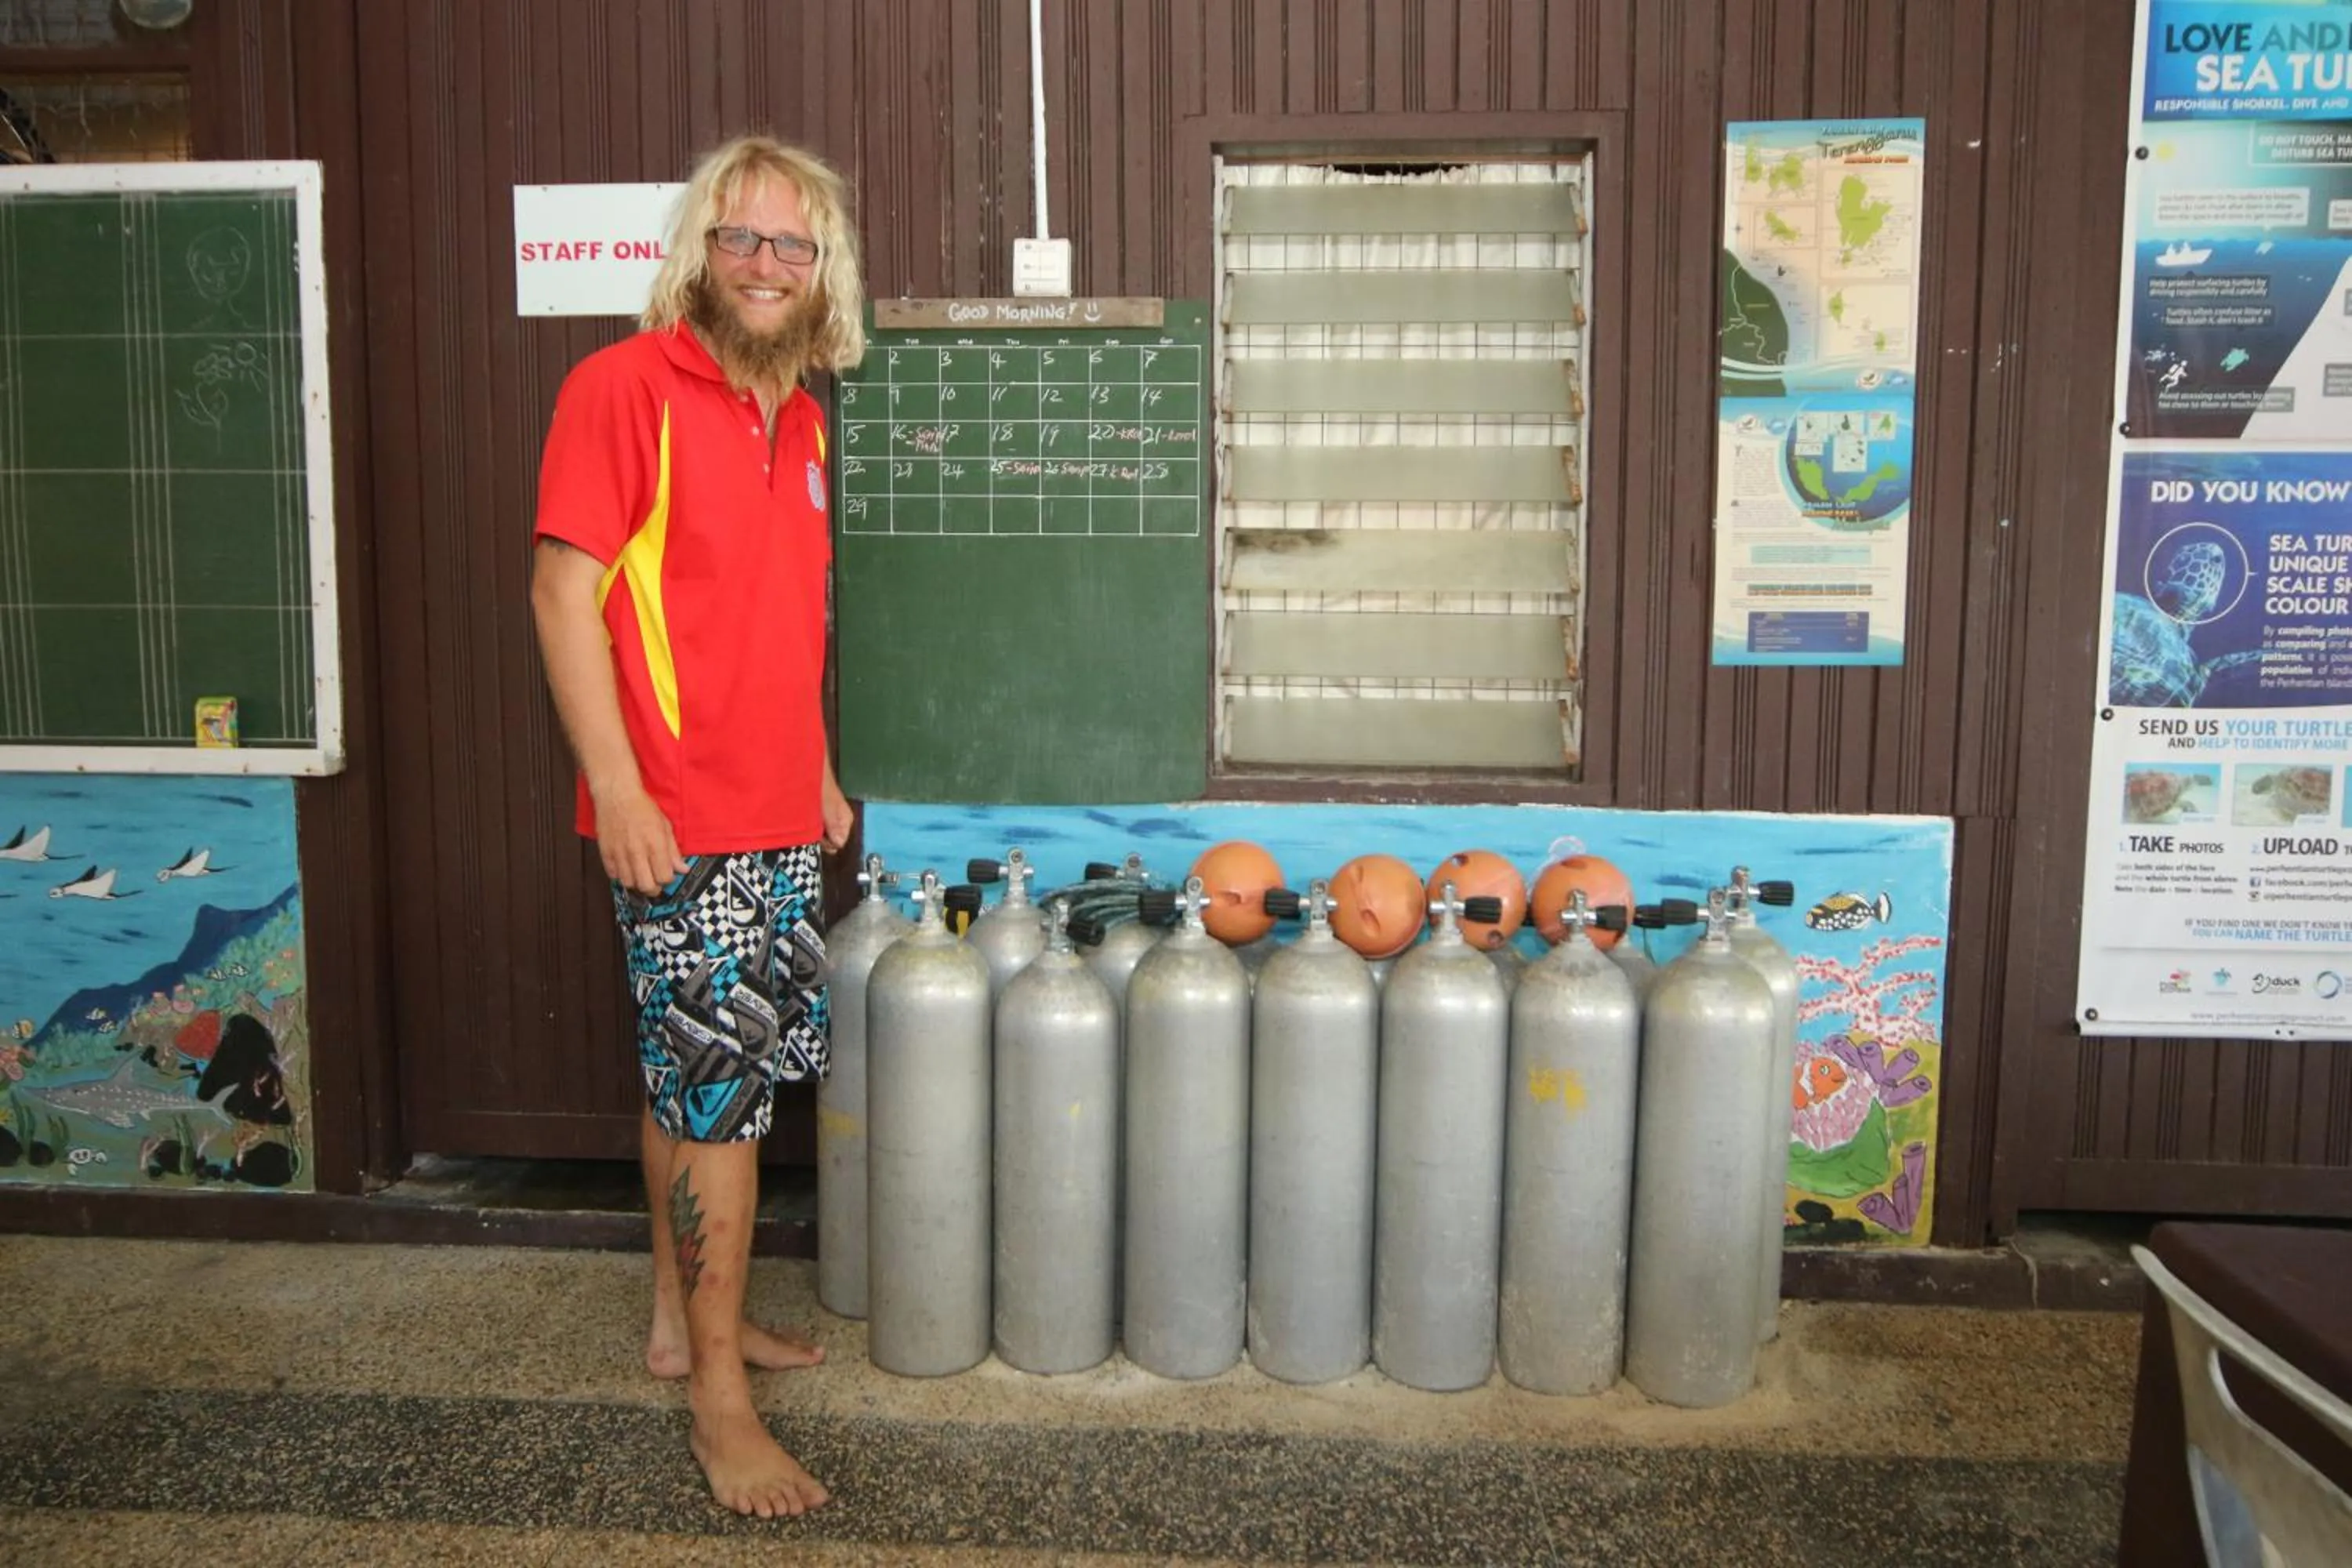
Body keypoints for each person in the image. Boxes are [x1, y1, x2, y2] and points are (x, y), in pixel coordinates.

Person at [529, 134, 864, 1519]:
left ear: (820, 269)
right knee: (721, 1105)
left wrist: (823, 768)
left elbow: (789, 617)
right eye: (744, 239)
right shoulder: (622, 389)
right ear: (700, 253)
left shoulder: (802, 414)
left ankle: (683, 1326)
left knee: (700, 1077)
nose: (768, 265)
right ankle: (721, 1401)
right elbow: (563, 594)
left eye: (794, 246)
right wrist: (616, 786)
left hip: (779, 810)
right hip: (682, 822)